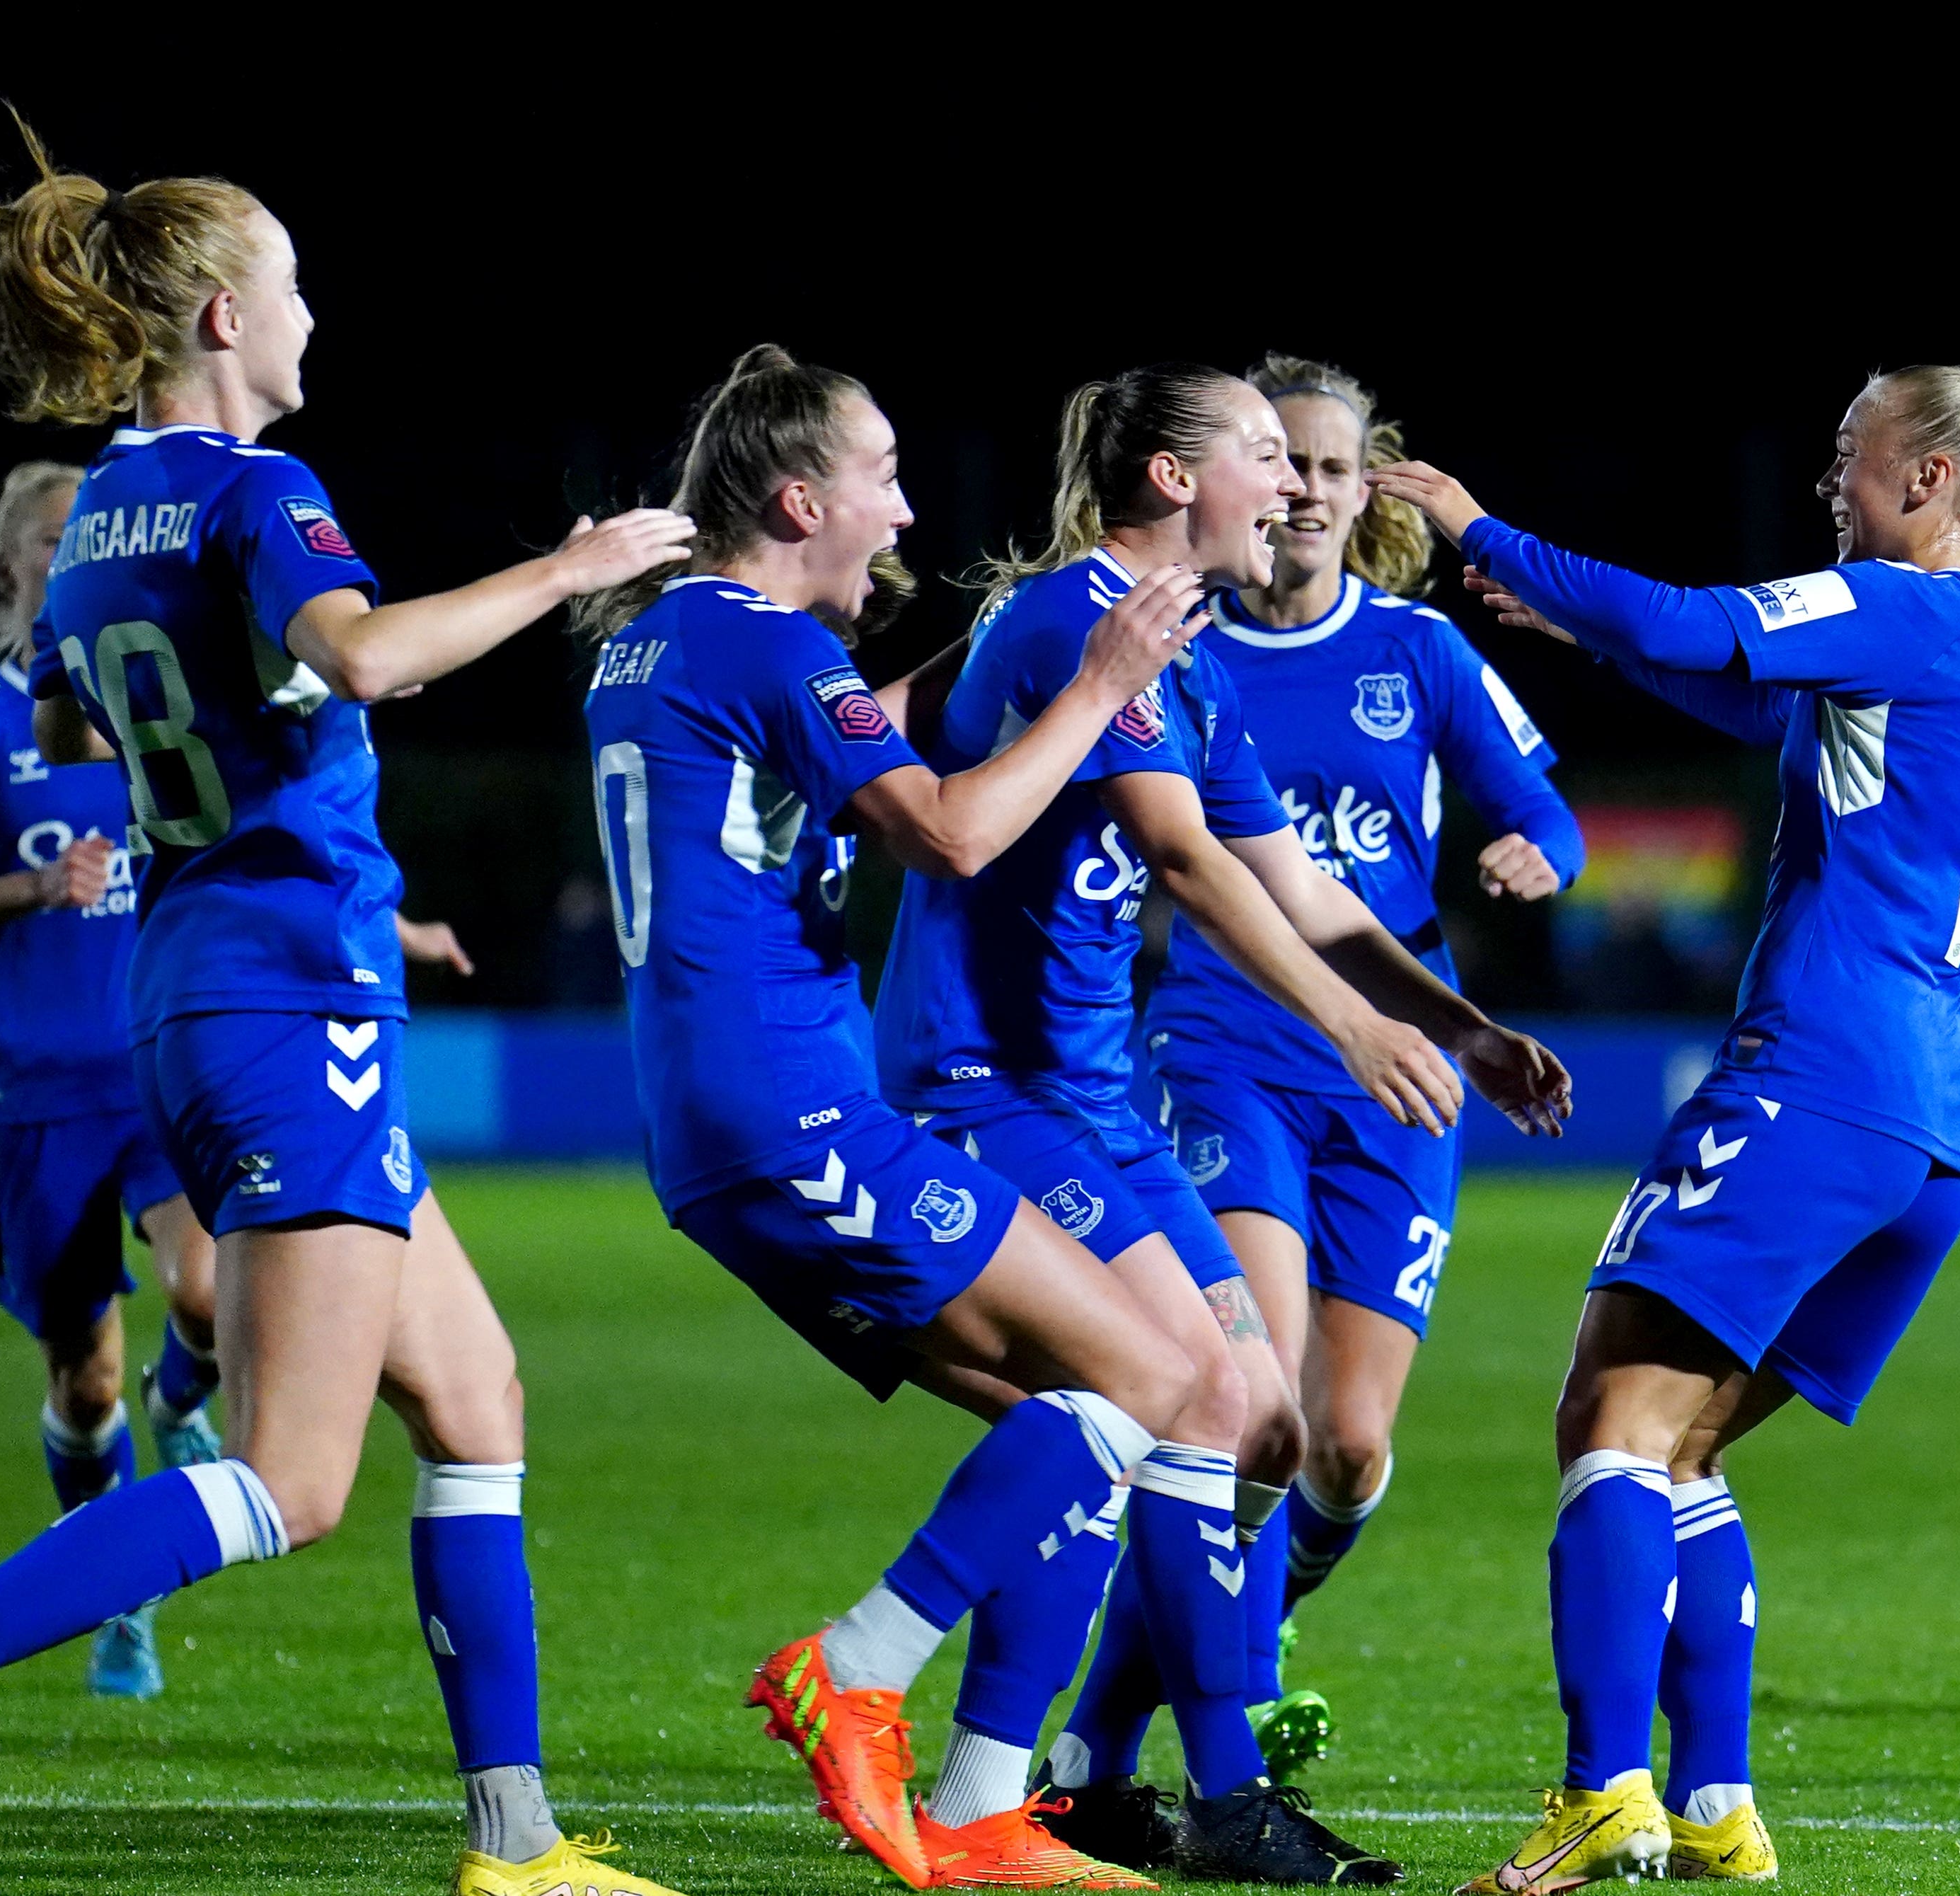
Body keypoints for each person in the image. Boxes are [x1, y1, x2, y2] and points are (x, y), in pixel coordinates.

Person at [0, 120, 695, 1896]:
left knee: (481, 1399)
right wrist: (570, 574)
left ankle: (515, 1842)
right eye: (290, 288)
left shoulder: (102, 508)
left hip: (202, 976)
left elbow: (59, 728)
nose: (310, 318)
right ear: (217, 313)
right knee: (291, 1475)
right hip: (283, 992)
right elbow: (361, 652)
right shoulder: (259, 492)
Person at [1371, 333, 1960, 1886]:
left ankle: (1600, 1788)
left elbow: (1697, 622)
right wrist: (1571, 622)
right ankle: (1713, 1806)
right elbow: (1755, 700)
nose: (1829, 482)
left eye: (1847, 457)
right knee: (1682, 1450)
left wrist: (1484, 531)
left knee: (1608, 1419)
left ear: (1928, 477)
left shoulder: (1896, 604)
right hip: (1937, 1125)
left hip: (1818, 1075)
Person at [875, 362, 1569, 1885]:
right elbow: (1186, 864)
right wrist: (1354, 1024)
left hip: (1094, 1093)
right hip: (995, 1091)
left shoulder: (1183, 653)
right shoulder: (1078, 619)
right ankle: (1162, 1776)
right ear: (1177, 481)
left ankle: (1052, 1778)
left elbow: (1305, 884)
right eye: (1267, 453)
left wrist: (1452, 1022)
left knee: (1260, 1417)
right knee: (1184, 1397)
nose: (1301, 484)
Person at [577, 344, 1226, 1892]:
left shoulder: (676, 641)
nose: (905, 507)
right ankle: (852, 1665)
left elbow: (850, 733)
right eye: (880, 476)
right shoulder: (767, 648)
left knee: (1064, 1432)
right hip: (790, 1110)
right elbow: (948, 833)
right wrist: (1094, 685)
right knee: (1155, 1368)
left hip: (716, 1125)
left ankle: (982, 1805)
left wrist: (968, 663)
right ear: (801, 499)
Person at [1137, 355, 1583, 1777]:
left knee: (1347, 1440)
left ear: (1360, 486)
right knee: (1256, 1394)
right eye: (1290, 465)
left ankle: (1253, 1612)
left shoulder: (1416, 651)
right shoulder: (1179, 642)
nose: (1311, 490)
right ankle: (1235, 1703)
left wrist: (1537, 853)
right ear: (1253, 483)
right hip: (1224, 1038)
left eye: (1334, 467)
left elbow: (1542, 807)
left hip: (1397, 1051)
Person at [0, 458, 218, 1701]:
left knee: (207, 1286)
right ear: (10, 564)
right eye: (50, 538)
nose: (72, 553)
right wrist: (35, 884)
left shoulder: (163, 715)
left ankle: (184, 1398)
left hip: (167, 1072)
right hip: (39, 1103)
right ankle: (117, 1595)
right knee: (81, 1387)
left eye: (92, 537)